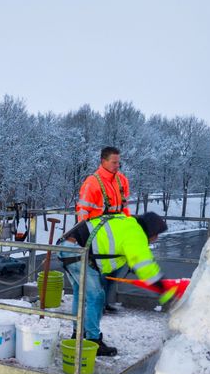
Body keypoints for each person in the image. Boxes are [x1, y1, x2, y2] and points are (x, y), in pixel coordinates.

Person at [59, 212, 169, 357]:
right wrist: (163, 288)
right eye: (157, 234)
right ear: (151, 230)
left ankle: (78, 333)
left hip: (68, 246)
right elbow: (145, 265)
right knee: (96, 297)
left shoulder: (127, 223)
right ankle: (93, 341)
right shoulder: (135, 234)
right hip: (77, 252)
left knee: (80, 294)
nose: (157, 238)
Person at [75, 146, 132, 313]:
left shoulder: (122, 181)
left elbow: (124, 208)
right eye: (114, 162)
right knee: (99, 272)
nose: (117, 165)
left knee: (116, 268)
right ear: (103, 161)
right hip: (98, 236)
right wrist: (85, 239)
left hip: (117, 234)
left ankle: (106, 302)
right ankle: (97, 305)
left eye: (118, 162)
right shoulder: (92, 183)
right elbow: (82, 212)